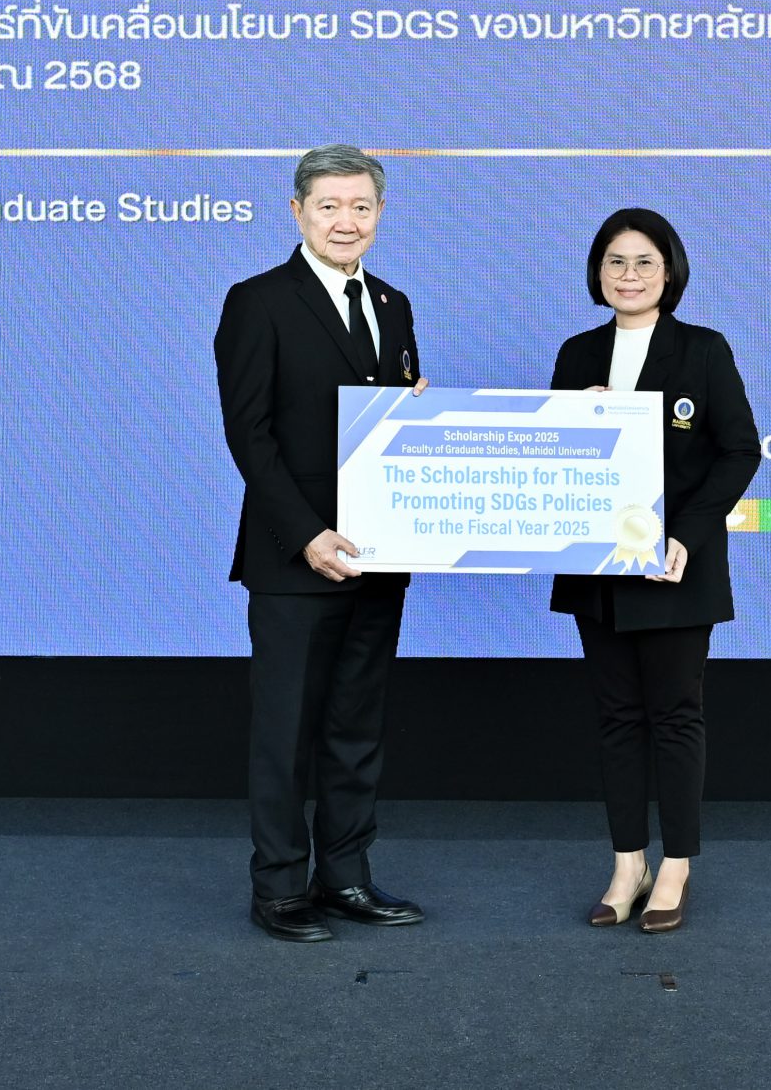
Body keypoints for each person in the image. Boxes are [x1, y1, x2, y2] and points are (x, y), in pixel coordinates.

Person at [214, 144, 428, 943]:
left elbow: (390, 426)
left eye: (361, 206)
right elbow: (250, 434)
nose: (346, 220)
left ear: (380, 214)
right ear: (297, 210)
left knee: (356, 725)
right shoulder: (258, 301)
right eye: (330, 205)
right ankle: (278, 887)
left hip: (378, 552)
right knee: (285, 730)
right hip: (293, 557)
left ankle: (346, 875)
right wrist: (306, 533)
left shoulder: (395, 304)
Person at [548, 208, 760, 934]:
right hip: (597, 568)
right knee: (616, 718)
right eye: (615, 261)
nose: (629, 275)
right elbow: (552, 456)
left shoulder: (703, 349)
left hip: (674, 568)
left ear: (669, 272)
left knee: (674, 716)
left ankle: (675, 865)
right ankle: (626, 864)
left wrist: (686, 536)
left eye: (644, 261)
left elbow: (740, 450)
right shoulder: (577, 353)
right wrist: (569, 420)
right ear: (597, 272)